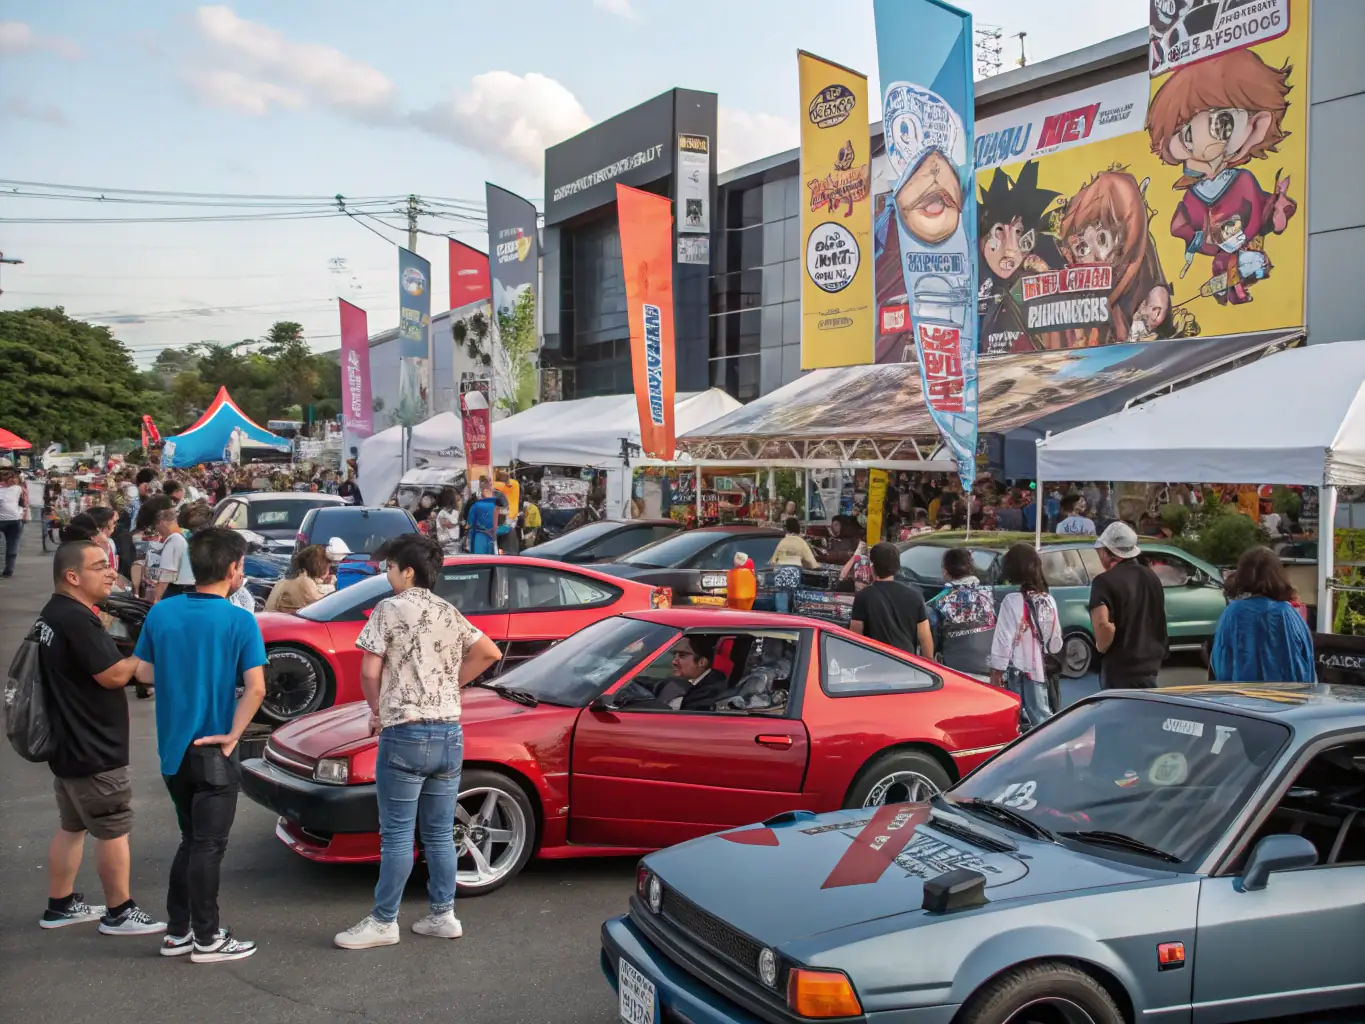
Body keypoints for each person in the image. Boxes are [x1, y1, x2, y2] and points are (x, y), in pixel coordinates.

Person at [335, 534, 502, 949]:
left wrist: (377, 711)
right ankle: (442, 914)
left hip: (404, 732)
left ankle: (383, 920)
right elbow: (489, 652)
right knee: (440, 832)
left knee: (395, 834)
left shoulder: (388, 609)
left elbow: (370, 671)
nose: (385, 572)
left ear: (407, 571)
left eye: (389, 566)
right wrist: (449, 685)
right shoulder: (448, 610)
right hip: (448, 731)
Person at [132, 527, 266, 963]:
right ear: (233, 569)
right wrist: (234, 734)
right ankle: (207, 938)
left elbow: (144, 673)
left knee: (191, 840)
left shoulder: (162, 613)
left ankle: (178, 931)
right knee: (208, 846)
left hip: (172, 750)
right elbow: (257, 689)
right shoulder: (239, 619)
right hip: (214, 749)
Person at [35, 540, 167, 935]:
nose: (111, 572)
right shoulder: (75, 618)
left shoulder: (54, 613)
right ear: (72, 577)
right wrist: (140, 657)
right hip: (93, 747)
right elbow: (110, 674)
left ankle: (61, 905)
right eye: (99, 566)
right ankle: (119, 911)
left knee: (73, 826)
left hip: (71, 742)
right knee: (113, 829)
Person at [1211, 547, 1315, 683]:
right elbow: (1304, 665)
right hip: (1286, 700)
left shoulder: (1232, 613)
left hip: (1239, 699)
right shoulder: (1286, 614)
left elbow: (1220, 662)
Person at [988, 544, 1063, 726]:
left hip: (1018, 674)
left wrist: (995, 675)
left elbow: (1002, 644)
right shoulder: (1048, 599)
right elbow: (1056, 643)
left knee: (1021, 724)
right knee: (1043, 721)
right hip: (1042, 674)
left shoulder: (1012, 601)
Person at [1089, 521, 1168, 689]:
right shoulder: (1151, 577)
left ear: (1108, 552)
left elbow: (1104, 625)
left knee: (1119, 715)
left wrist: (1101, 648)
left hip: (1120, 669)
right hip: (1150, 666)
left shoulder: (1104, 582)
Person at [850, 542, 933, 658]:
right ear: (897, 567)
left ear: (872, 566)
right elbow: (925, 637)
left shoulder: (863, 596)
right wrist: (930, 666)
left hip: (874, 663)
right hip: (908, 663)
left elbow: (855, 636)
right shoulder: (915, 595)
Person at [927, 547, 997, 678]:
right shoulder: (992, 595)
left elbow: (932, 641)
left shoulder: (937, 603)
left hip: (954, 673)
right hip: (989, 671)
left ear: (945, 571)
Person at [655, 635, 730, 712]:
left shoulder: (709, 692)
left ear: (702, 662)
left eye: (682, 655)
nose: (674, 662)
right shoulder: (689, 682)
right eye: (674, 655)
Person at [264, 544, 331, 614]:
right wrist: (332, 586)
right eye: (328, 566)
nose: (329, 571)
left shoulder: (286, 581)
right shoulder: (304, 582)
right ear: (321, 566)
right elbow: (323, 605)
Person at [151, 506, 194, 602]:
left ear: (161, 523)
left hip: (177, 591)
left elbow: (167, 574)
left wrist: (157, 600)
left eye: (156, 526)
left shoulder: (173, 540)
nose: (158, 531)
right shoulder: (182, 536)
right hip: (188, 590)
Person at [463, 477, 506, 556]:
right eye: (482, 482)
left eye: (488, 481)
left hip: (488, 535)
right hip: (485, 534)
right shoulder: (475, 498)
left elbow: (504, 512)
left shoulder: (498, 496)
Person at [0, 462, 28, 578]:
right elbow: (23, 501)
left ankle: (9, 569)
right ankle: (9, 569)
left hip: (7, 520)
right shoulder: (18, 488)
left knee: (11, 545)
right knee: (12, 544)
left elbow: (23, 501)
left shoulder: (17, 489)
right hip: (14, 520)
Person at [493, 470, 521, 555]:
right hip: (511, 518)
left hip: (505, 519)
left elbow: (494, 485)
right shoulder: (515, 484)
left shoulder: (504, 486)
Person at [433, 486, 463, 556]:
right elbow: (448, 525)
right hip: (445, 544)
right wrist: (459, 523)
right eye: (455, 495)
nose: (457, 497)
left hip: (455, 544)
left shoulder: (455, 512)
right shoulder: (442, 513)